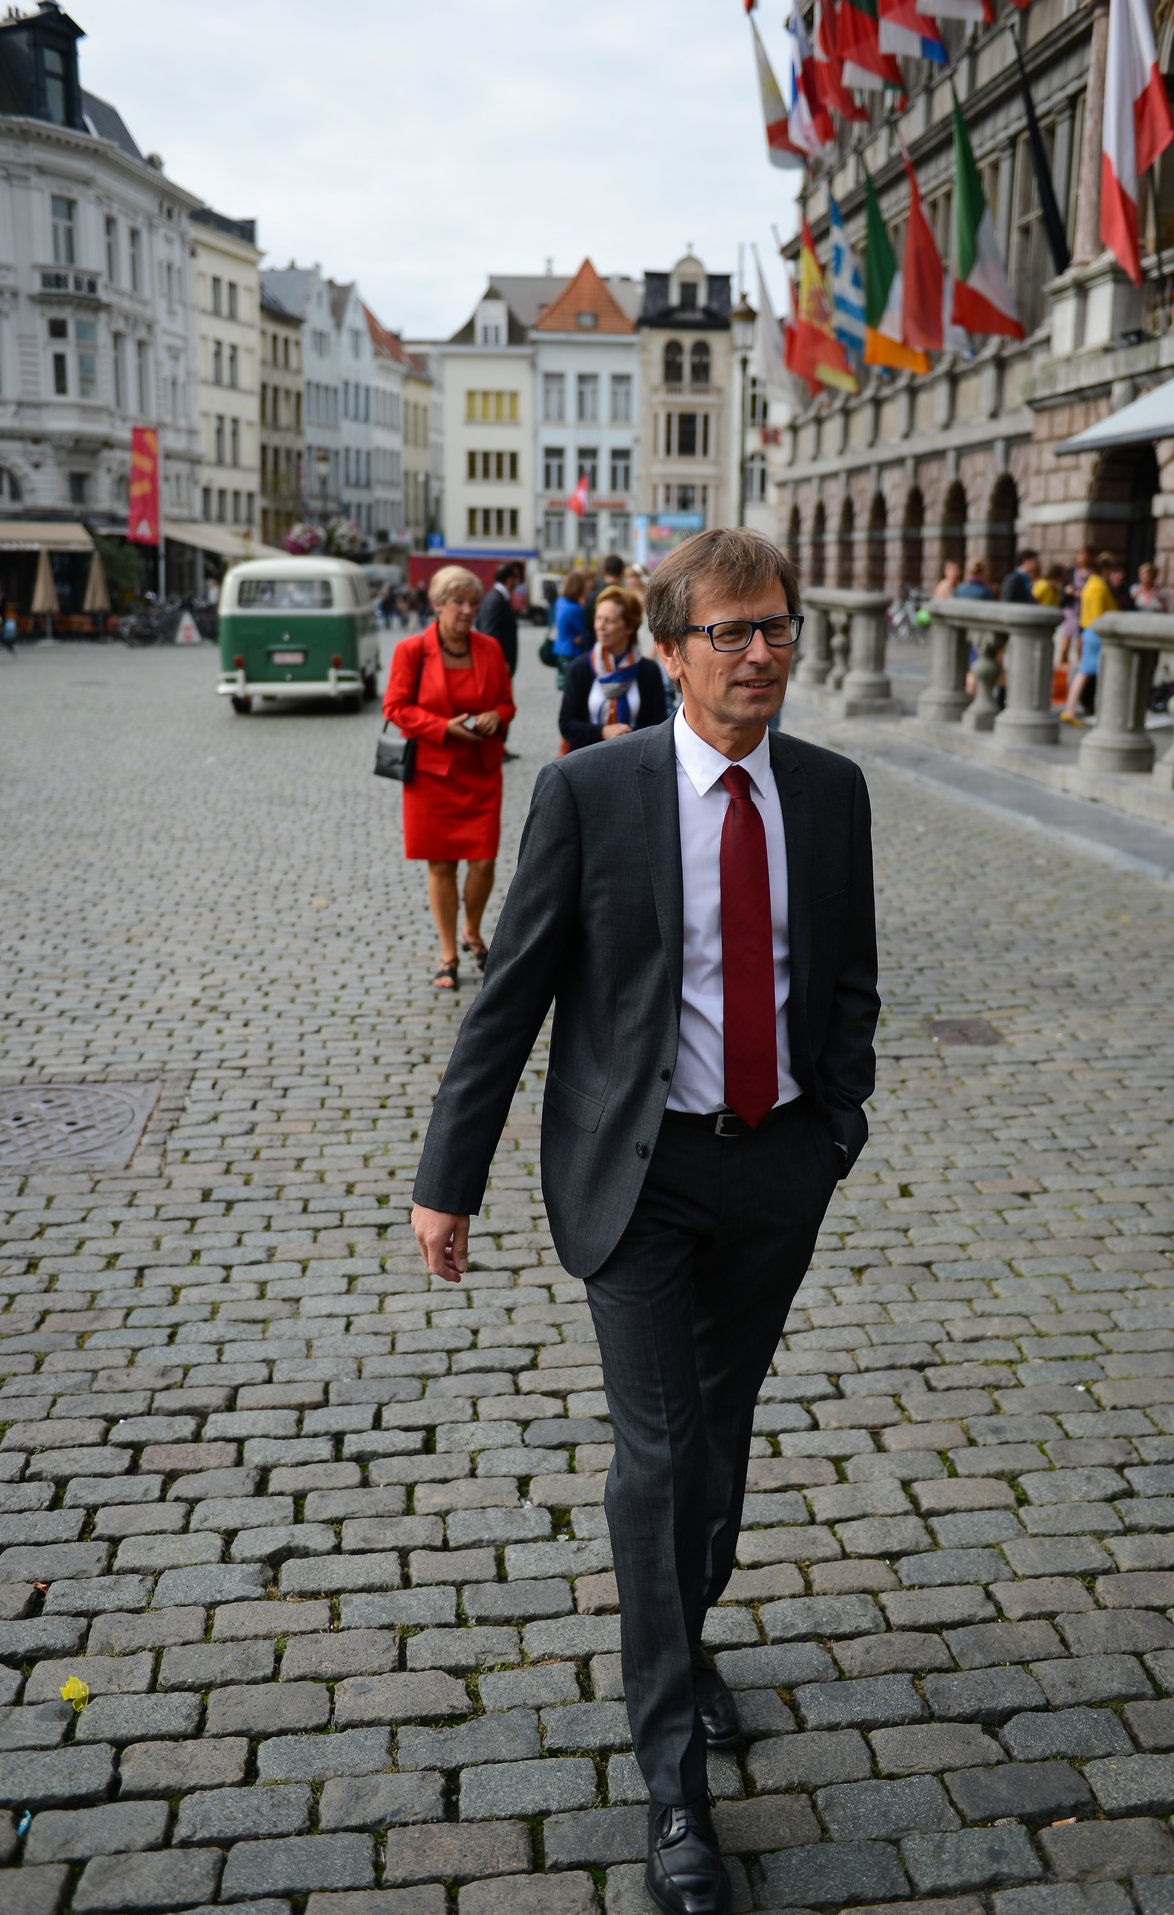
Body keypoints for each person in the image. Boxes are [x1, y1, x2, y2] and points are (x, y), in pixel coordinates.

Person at [409, 527, 878, 1915]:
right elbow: (514, 994)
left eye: (776, 627)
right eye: (728, 632)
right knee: (660, 1456)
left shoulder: (833, 791)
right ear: (666, 650)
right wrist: (453, 1171)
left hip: (777, 1169)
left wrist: (835, 1123)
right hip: (639, 1174)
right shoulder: (593, 791)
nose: (758, 654)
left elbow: (847, 975)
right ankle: (674, 1784)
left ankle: (688, 1635)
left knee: (720, 1442)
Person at [383, 566, 516, 993]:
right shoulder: (412, 650)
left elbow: (506, 702)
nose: (466, 610)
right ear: (438, 604)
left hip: (480, 769)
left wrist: (497, 716)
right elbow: (395, 707)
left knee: (483, 861)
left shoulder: (489, 649)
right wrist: (443, 727)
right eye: (457, 602)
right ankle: (448, 952)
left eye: (472, 603)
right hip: (431, 774)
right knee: (441, 864)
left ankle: (472, 930)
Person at [558, 583, 667, 750]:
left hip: (635, 763)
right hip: (587, 763)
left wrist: (626, 736)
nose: (600, 626)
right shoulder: (580, 668)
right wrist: (603, 732)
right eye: (598, 618)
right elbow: (567, 724)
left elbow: (659, 725)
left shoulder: (648, 672)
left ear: (629, 627)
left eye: (609, 620)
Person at [1061, 550, 1123, 726]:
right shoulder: (1097, 587)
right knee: (1088, 673)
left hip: (1090, 633)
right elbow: (1098, 617)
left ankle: (1070, 710)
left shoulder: (1091, 584)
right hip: (1096, 634)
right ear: (1105, 570)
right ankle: (1071, 710)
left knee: (1085, 673)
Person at [476, 562, 520, 680]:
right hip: (498, 669)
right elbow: (489, 634)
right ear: (510, 579)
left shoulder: (497, 597)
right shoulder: (496, 600)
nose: (516, 582)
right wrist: (500, 662)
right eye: (515, 578)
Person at [552, 569, 590, 688]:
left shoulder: (560, 602)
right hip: (572, 652)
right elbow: (583, 633)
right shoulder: (574, 609)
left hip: (561, 650)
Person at [584, 551, 626, 631]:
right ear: (622, 572)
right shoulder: (627, 598)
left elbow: (587, 626)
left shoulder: (592, 596)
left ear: (604, 571)